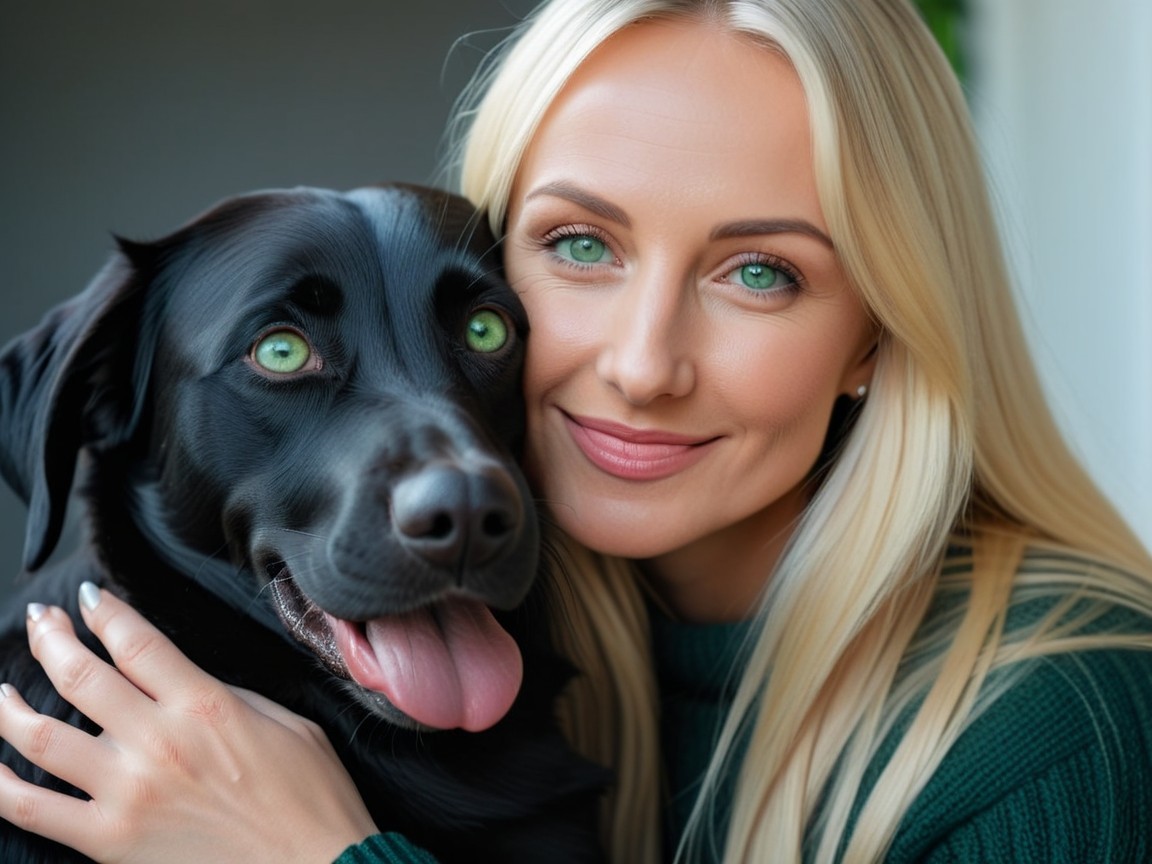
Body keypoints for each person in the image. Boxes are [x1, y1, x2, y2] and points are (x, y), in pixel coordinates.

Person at [2, 0, 1151, 861]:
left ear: (877, 332)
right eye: (582, 248)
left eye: (761, 272)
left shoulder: (1059, 732)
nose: (645, 366)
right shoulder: (569, 632)